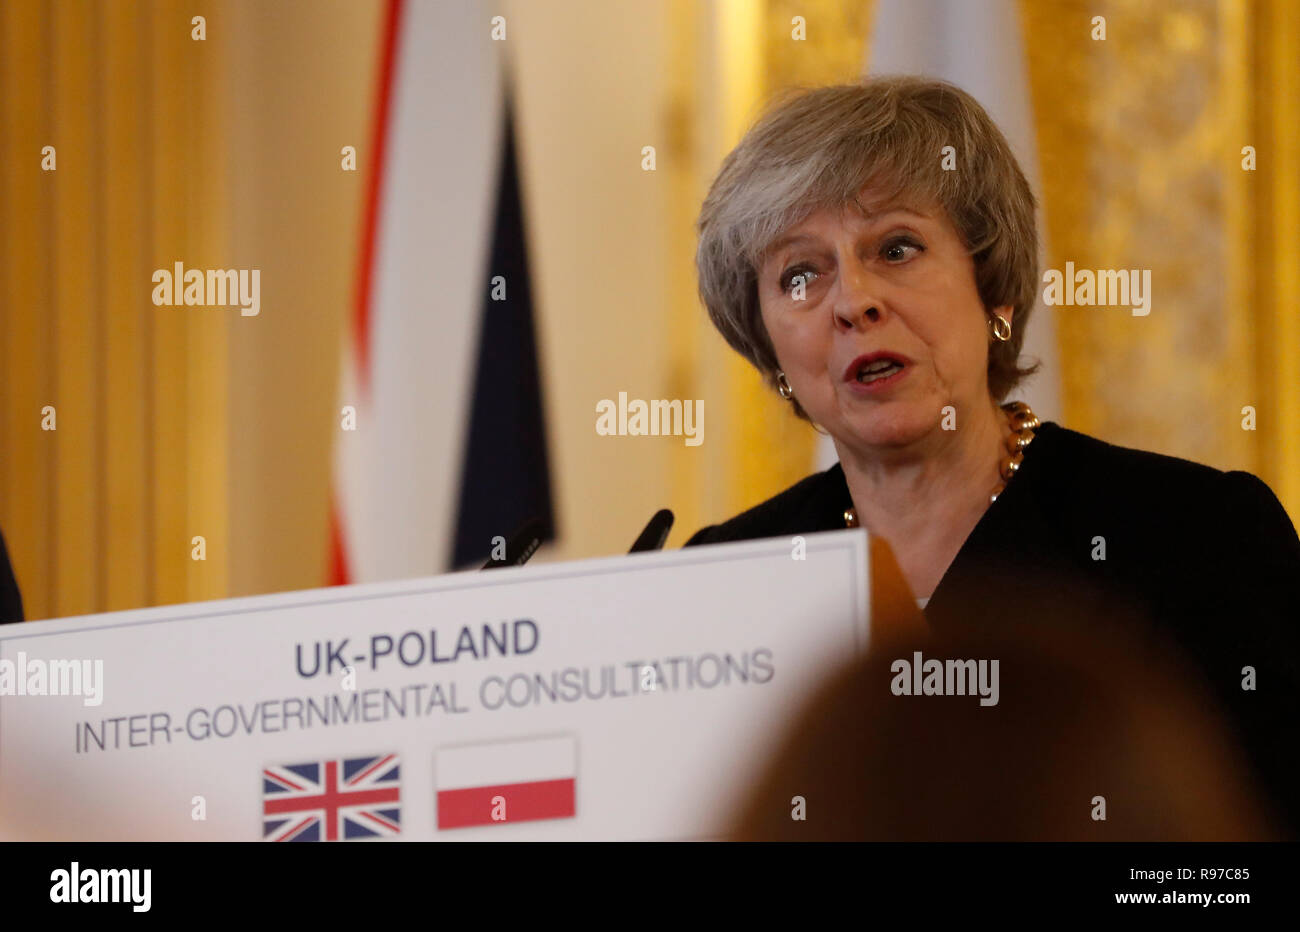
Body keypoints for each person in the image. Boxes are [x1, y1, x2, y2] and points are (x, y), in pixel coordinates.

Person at [684, 76, 1300, 836]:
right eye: (800, 275)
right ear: (770, 348)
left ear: (994, 295)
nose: (852, 302)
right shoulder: (721, 577)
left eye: (897, 247)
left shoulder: (1196, 536)